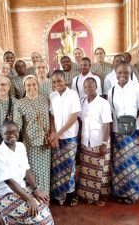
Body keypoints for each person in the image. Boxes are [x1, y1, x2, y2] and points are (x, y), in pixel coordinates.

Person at [0, 120, 54, 225]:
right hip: (1, 194)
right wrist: (29, 199)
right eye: (7, 133)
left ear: (18, 132)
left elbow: (26, 169)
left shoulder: (20, 146)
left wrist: (36, 189)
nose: (12, 135)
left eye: (14, 131)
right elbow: (9, 181)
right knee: (41, 217)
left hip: (20, 188)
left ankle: (6, 218)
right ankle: (6, 215)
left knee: (43, 202)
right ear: (1, 134)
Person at [108, 62, 139, 204]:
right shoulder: (112, 90)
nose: (123, 75)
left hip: (135, 131)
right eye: (120, 72)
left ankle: (133, 193)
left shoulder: (138, 88)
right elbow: (109, 113)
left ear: (130, 72)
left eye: (126, 72)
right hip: (118, 132)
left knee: (134, 163)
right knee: (119, 164)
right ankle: (120, 193)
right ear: (115, 73)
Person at [77, 78, 112, 206]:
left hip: (100, 142)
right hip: (86, 141)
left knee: (102, 172)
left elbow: (107, 124)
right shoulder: (82, 102)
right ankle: (89, 196)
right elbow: (80, 121)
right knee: (87, 172)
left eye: (91, 86)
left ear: (96, 87)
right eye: (85, 87)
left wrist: (104, 143)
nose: (88, 89)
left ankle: (102, 196)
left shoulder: (103, 103)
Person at [49, 70, 81, 206]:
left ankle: (70, 194)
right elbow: (52, 116)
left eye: (59, 81)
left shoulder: (73, 94)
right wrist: (53, 134)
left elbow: (74, 117)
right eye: (54, 82)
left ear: (64, 80)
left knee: (69, 166)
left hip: (70, 136)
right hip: (56, 138)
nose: (57, 84)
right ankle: (57, 194)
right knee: (57, 167)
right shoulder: (52, 96)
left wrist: (58, 133)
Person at [18, 75, 51, 194]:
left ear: (38, 85)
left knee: (44, 172)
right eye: (28, 85)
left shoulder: (45, 99)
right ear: (24, 87)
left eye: (34, 84)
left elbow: (52, 117)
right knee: (32, 171)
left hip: (45, 142)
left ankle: (45, 200)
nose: (31, 87)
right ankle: (34, 200)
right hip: (30, 144)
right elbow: (17, 126)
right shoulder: (20, 103)